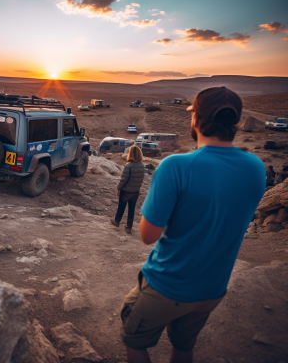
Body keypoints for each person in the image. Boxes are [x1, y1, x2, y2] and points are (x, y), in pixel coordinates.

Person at [120, 87, 265, 363]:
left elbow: (148, 236)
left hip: (167, 286)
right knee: (184, 347)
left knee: (134, 340)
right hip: (212, 288)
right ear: (234, 123)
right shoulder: (256, 167)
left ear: (196, 119)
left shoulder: (176, 166)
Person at [110, 145, 145, 234]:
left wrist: (119, 189)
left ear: (130, 154)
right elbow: (141, 179)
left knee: (121, 207)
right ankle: (128, 227)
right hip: (135, 191)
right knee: (131, 209)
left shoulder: (128, 166)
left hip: (126, 191)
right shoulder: (142, 165)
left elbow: (123, 180)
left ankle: (117, 221)